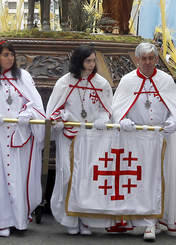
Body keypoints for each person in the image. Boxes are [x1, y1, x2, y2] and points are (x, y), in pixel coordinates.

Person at [111, 42, 176, 241]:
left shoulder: (166, 80)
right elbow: (116, 107)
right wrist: (121, 119)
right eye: (143, 58)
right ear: (137, 60)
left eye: (151, 58)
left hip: (162, 141)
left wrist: (173, 120)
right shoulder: (127, 81)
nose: (147, 62)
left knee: (161, 179)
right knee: (141, 181)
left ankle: (158, 219)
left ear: (156, 59)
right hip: (135, 141)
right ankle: (144, 221)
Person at [0, 40, 45, 237]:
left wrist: (28, 114)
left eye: (12, 54)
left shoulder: (23, 76)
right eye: (5, 55)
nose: (10, 58)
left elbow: (35, 103)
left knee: (19, 177)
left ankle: (18, 219)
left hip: (19, 136)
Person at [46, 45, 113, 235]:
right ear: (79, 61)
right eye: (88, 61)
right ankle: (70, 218)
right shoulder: (64, 82)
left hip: (92, 139)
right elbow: (54, 109)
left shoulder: (101, 84)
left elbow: (107, 109)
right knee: (68, 175)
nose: (91, 65)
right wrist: (61, 118)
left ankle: (86, 220)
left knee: (88, 178)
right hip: (70, 138)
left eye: (93, 61)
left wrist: (102, 119)